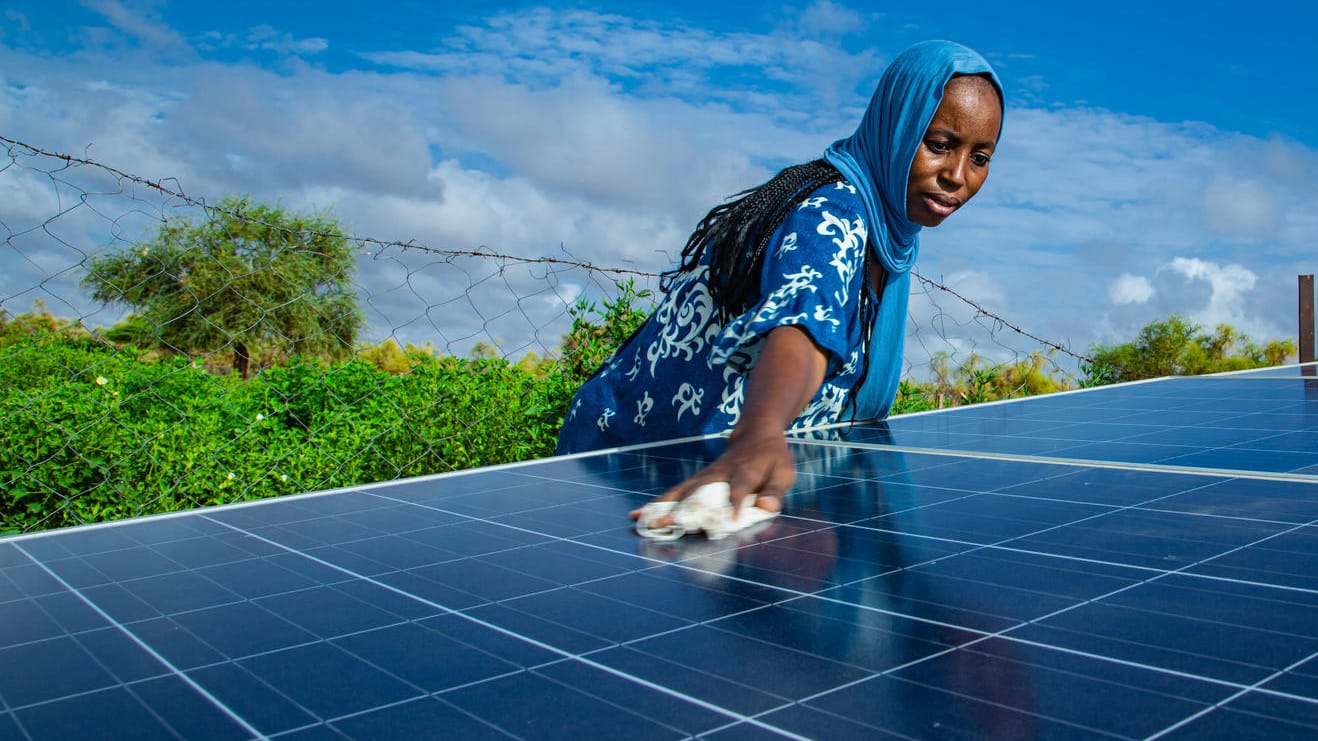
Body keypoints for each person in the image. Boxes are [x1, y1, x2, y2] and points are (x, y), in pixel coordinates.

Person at [556, 40, 1004, 522]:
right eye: (939, 145)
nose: (957, 175)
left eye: (980, 157)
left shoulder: (890, 234)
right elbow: (803, 328)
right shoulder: (831, 215)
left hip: (714, 469)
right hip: (622, 463)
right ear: (896, 126)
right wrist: (763, 428)